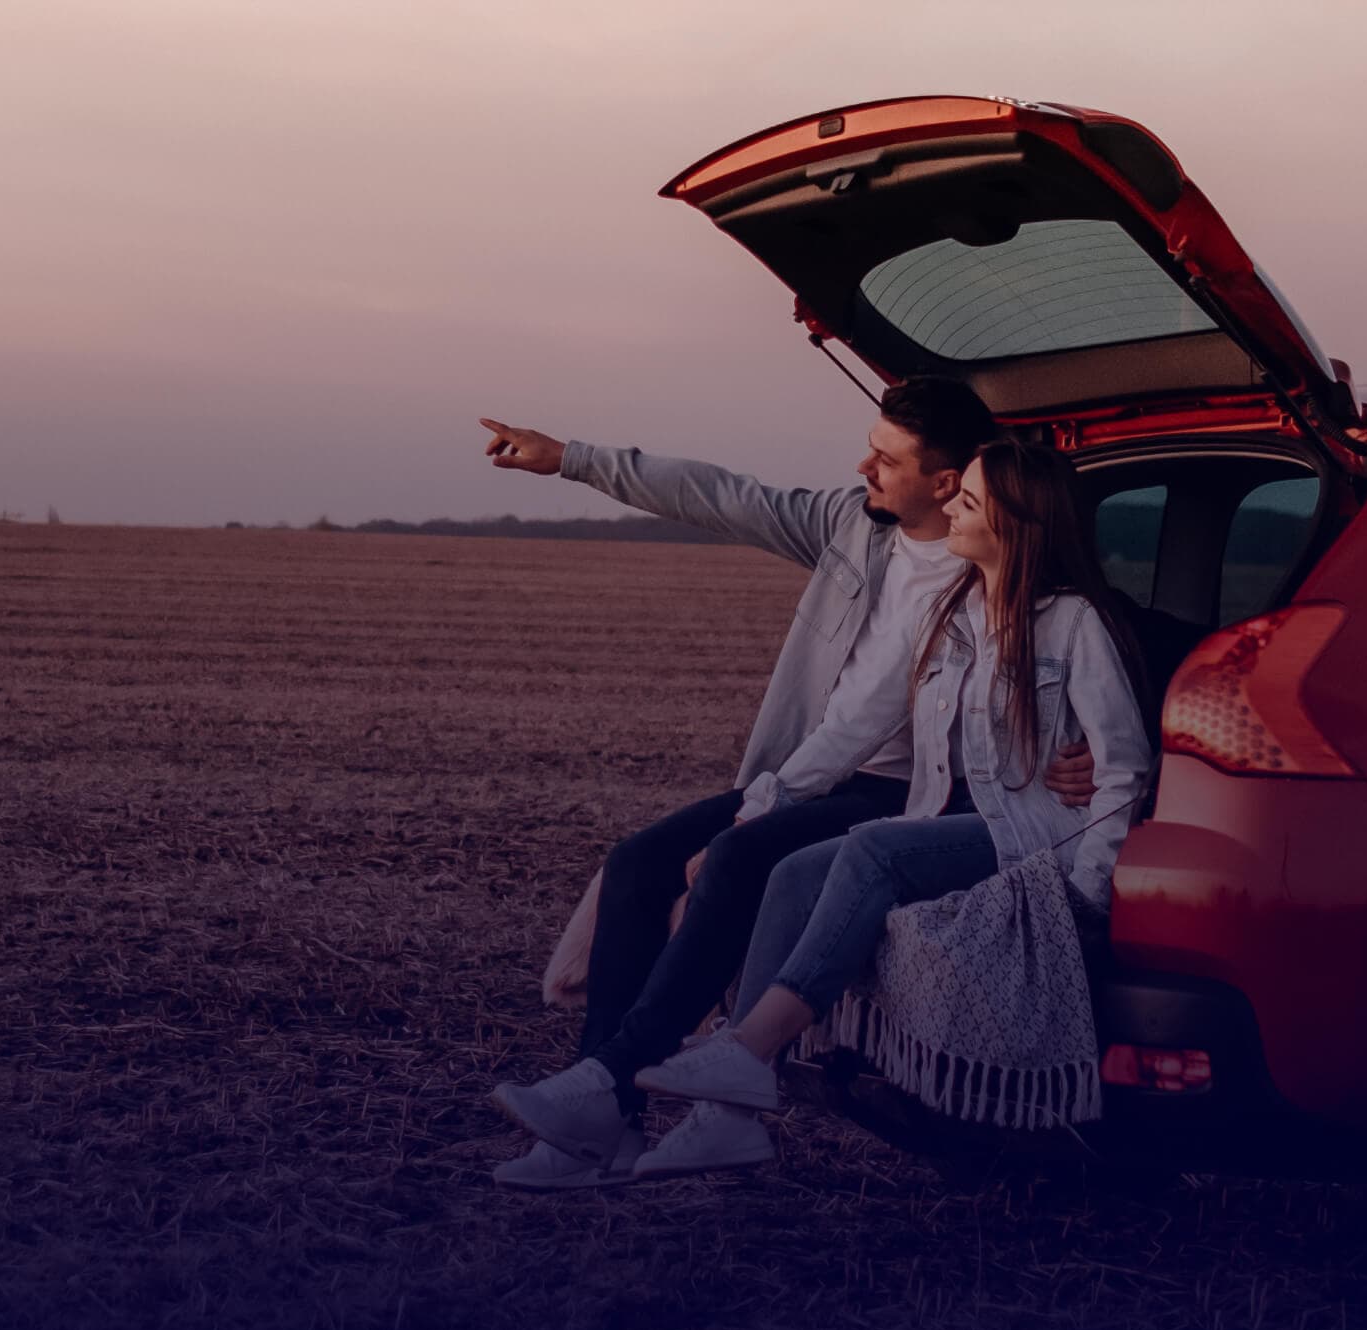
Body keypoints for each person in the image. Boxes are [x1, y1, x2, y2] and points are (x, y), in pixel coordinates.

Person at [476, 382, 1099, 1188]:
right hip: (818, 768)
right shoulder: (852, 524)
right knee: (636, 864)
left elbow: (1093, 651)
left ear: (949, 484)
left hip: (906, 794)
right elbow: (722, 496)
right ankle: (602, 1125)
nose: (863, 464)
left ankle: (616, 1083)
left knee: (739, 861)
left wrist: (1083, 747)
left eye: (889, 456)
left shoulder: (986, 575)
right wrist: (570, 459)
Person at [626, 439, 1154, 1159]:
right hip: (963, 819)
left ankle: (748, 1049)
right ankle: (728, 1120)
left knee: (874, 849)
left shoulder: (1073, 624)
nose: (950, 508)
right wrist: (767, 801)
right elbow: (856, 724)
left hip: (1040, 836)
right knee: (794, 871)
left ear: (1016, 523)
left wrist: (1090, 893)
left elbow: (1123, 767)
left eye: (967, 501)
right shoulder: (952, 612)